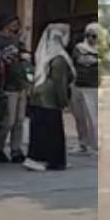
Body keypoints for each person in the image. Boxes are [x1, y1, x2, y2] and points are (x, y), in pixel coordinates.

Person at [25, 23, 74, 172]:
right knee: (52, 133)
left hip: (38, 95)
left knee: (39, 130)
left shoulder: (44, 53)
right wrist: (64, 102)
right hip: (50, 99)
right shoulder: (59, 58)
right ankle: (51, 160)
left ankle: (37, 158)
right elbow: (59, 84)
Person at [0, 14, 30, 164]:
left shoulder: (16, 39)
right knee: (9, 120)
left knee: (20, 120)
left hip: (20, 82)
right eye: (12, 22)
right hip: (8, 84)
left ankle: (16, 149)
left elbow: (22, 54)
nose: (15, 25)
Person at [70, 23, 100, 155]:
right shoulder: (79, 48)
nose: (91, 38)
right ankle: (82, 142)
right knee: (79, 116)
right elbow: (78, 61)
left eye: (94, 36)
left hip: (92, 87)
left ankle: (95, 145)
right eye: (89, 35)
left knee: (93, 118)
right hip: (78, 85)